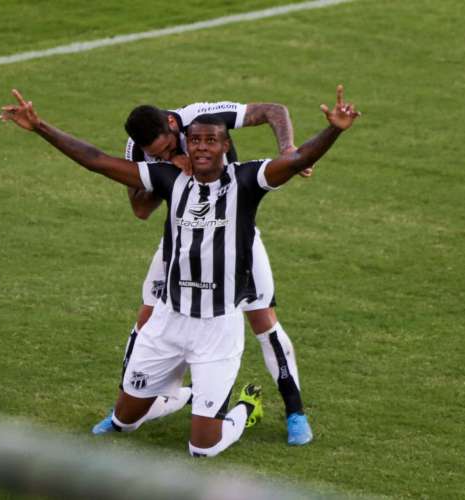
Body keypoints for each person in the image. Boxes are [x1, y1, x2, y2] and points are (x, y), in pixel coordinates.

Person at [0, 85, 359, 457]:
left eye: (210, 141)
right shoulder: (167, 177)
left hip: (223, 301)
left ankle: (274, 410)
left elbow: (292, 151)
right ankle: (164, 397)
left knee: (261, 324)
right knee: (128, 407)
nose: (199, 148)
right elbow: (97, 162)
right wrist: (40, 127)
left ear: (223, 145)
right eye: (196, 142)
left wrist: (332, 131)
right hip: (174, 308)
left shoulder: (247, 180)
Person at [98, 99, 315, 445]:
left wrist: (287, 149)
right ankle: (134, 406)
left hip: (234, 239)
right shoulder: (139, 149)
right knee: (148, 314)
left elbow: (273, 110)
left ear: (173, 124)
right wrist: (170, 168)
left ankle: (295, 413)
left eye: (170, 146)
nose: (168, 151)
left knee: (262, 318)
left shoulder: (201, 119)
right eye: (156, 153)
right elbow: (140, 208)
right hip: (182, 237)